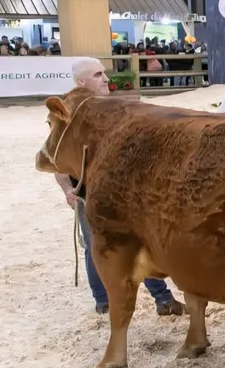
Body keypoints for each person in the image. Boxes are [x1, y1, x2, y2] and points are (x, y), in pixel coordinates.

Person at [54, 59, 184, 315]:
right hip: (88, 193)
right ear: (81, 82)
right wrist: (68, 191)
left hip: (124, 191)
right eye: (98, 75)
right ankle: (104, 302)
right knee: (96, 245)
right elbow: (57, 160)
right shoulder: (67, 114)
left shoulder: (117, 109)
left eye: (104, 73)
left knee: (141, 241)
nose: (106, 79)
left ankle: (163, 299)